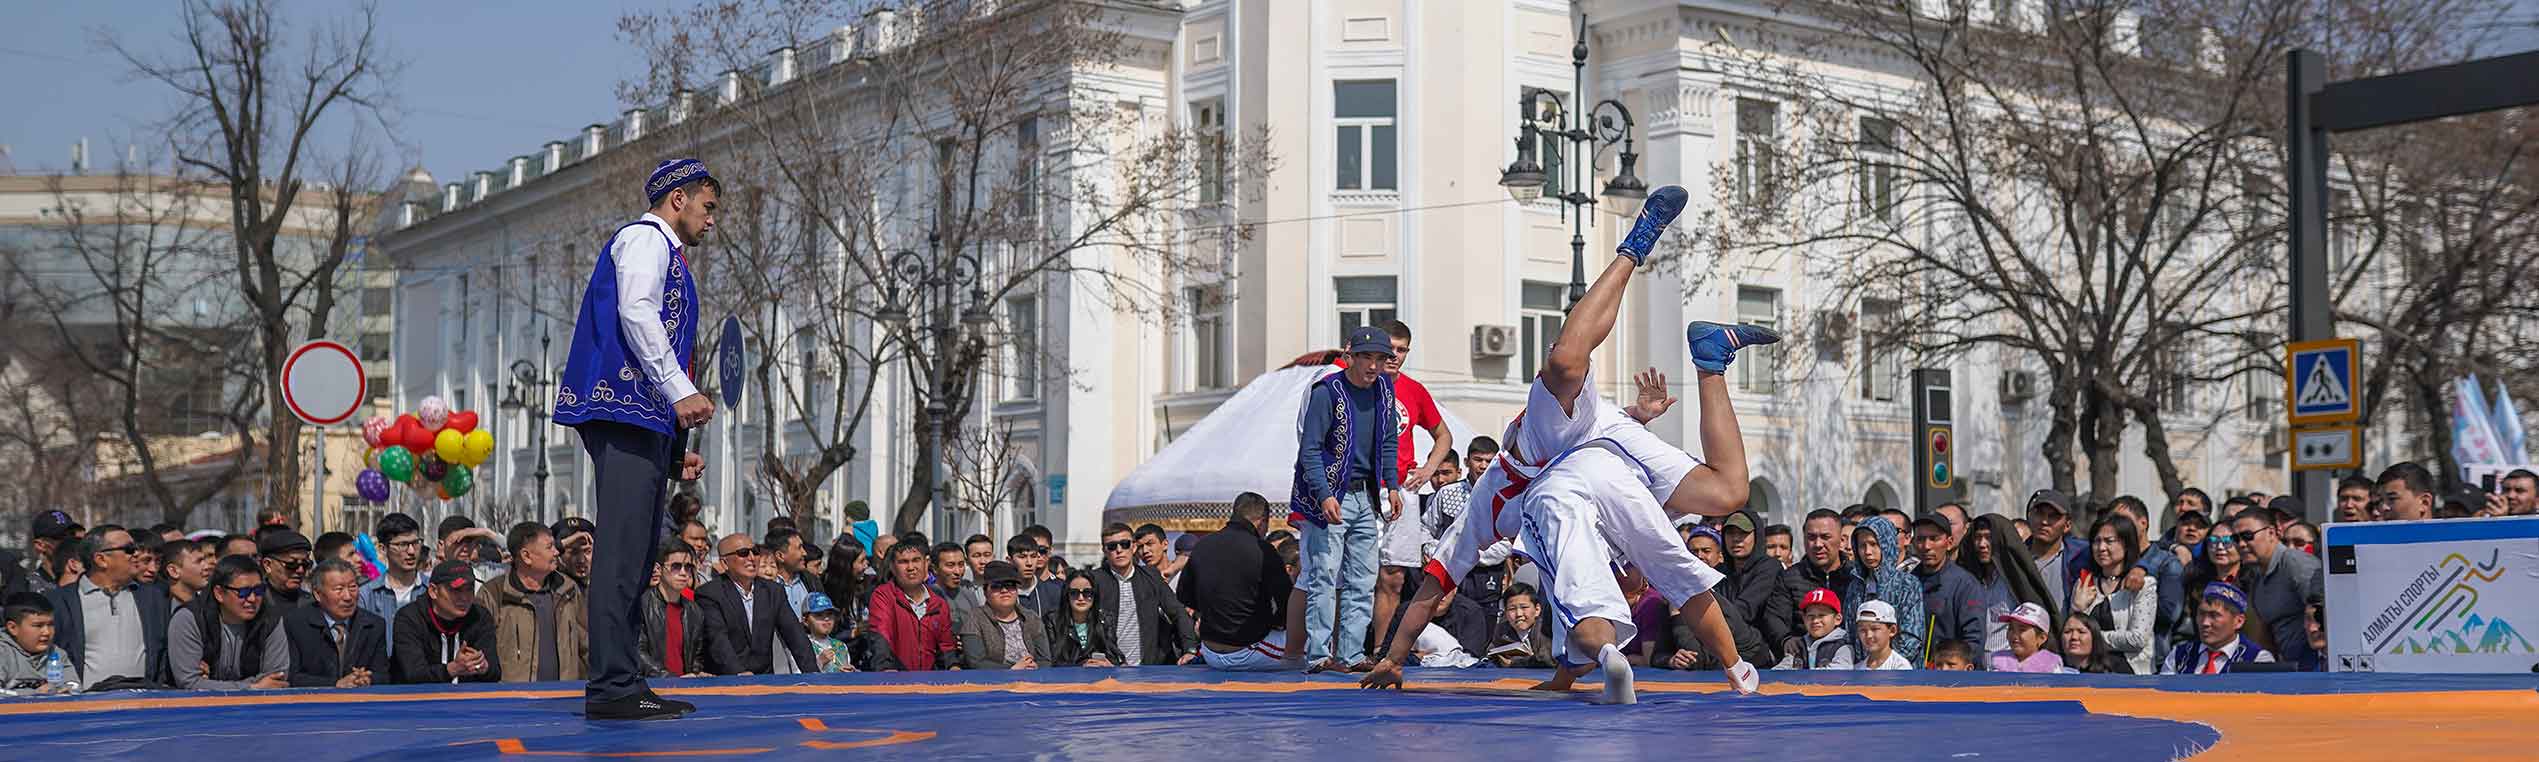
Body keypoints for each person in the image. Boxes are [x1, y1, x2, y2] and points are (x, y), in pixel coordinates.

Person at [1366, 188, 1765, 702]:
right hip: (1603, 462)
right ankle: (1710, 362)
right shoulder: (1563, 539)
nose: (1634, 590)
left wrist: (1394, 657)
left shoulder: (1488, 508)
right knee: (1726, 496)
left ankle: (1636, 244)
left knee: (1564, 365)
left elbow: (1430, 590)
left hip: (1551, 454)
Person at [556, 157, 719, 721]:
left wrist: (674, 452)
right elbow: (638, 312)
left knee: (637, 553)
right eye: (708, 206)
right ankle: (611, 687)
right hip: (623, 410)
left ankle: (624, 680)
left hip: (642, 418)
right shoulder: (645, 239)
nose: (711, 220)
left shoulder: (666, 253)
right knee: (622, 556)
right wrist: (681, 390)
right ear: (678, 198)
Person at [1291, 325, 1402, 673]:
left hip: (1366, 495)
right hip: (1331, 496)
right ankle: (1318, 655)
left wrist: (1393, 485)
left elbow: (1389, 441)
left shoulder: (1384, 389)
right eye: (1367, 357)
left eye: (1381, 358)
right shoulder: (1327, 392)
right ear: (1350, 356)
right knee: (1324, 574)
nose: (1374, 365)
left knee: (1363, 578)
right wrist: (1324, 494)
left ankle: (1352, 654)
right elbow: (1309, 450)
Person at [1366, 320, 1455, 657]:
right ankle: (1340, 649)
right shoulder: (1357, 382)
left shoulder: (1414, 390)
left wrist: (1429, 469)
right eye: (1390, 348)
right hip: (1364, 487)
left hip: (1402, 489)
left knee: (1393, 577)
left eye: (1401, 350)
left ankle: (1380, 650)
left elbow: (1444, 436)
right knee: (1351, 574)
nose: (1395, 356)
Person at [42, 525, 172, 689]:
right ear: (101, 559)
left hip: (144, 699)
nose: (136, 554)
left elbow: (163, 654)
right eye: (129, 549)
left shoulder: (154, 598)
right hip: (84, 701)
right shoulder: (59, 601)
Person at [1178, 493, 1293, 671]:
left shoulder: (1203, 545)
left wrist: (1213, 614)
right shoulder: (1263, 550)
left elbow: (1184, 595)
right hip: (1246, 650)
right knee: (1314, 651)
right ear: (1262, 521)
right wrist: (1274, 623)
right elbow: (1287, 603)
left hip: (1209, 650)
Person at [692, 533, 815, 676]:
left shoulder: (773, 591)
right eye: (743, 553)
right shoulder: (710, 594)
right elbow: (718, 641)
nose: (752, 558)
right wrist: (739, 674)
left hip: (764, 679)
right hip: (727, 679)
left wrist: (813, 675)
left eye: (755, 552)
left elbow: (796, 636)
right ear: (725, 563)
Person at [168, 554, 290, 691]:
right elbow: (189, 683)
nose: (252, 599)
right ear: (219, 593)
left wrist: (211, 684)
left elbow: (276, 678)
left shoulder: (270, 620)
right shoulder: (190, 619)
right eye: (243, 592)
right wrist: (252, 687)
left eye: (258, 590)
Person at [486, 522, 588, 683]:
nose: (556, 552)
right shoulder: (495, 593)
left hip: (565, 693)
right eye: (549, 547)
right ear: (526, 556)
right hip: (513, 696)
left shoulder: (568, 589)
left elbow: (586, 645)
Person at [2229, 509, 2324, 668]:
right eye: (2235, 539)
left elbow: (2325, 612)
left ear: (2271, 533)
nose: (2241, 544)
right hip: (2289, 665)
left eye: (2247, 536)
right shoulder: (2257, 576)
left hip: (2315, 664)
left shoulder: (2295, 563)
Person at [1094, 523, 1197, 667]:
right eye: (1112, 546)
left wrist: (1190, 649)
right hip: (1108, 668)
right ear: (1104, 550)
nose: (1119, 550)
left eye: (1124, 544)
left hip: (1149, 670)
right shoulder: (1094, 580)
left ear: (1133, 547)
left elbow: (1178, 612)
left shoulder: (1151, 577)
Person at [1959, 513, 2057, 656]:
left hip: (2011, 664)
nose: (1982, 544)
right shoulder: (1968, 580)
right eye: (1978, 537)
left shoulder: (2017, 581)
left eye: (1988, 537)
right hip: (1973, 663)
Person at [2070, 514, 2157, 675]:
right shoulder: (2084, 583)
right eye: (2096, 541)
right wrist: (2078, 609)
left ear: (2127, 544)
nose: (2101, 548)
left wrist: (2093, 638)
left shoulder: (2144, 585)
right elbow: (2073, 636)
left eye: (2109, 541)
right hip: (2089, 674)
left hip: (2132, 676)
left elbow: (2137, 639)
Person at [391, 559, 500, 684]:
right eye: (456, 590)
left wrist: (483, 667)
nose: (464, 597)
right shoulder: (409, 618)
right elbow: (413, 674)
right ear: (433, 591)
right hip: (417, 695)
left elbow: (495, 673)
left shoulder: (480, 617)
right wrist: (453, 669)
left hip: (468, 695)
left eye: (469, 589)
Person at [286, 559, 389, 688]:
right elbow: (292, 677)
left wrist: (366, 678)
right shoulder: (297, 623)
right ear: (318, 594)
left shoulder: (373, 625)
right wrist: (335, 684)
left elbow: (383, 675)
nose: (348, 597)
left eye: (353, 587)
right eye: (338, 589)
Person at [1843, 518, 1925, 666]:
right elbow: (1850, 632)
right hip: (1861, 670)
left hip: (1900, 670)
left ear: (1887, 544)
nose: (1867, 552)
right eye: (1862, 546)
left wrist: (1883, 665)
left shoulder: (1907, 584)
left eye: (1874, 544)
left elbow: (1912, 635)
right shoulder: (1855, 586)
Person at [1718, 507, 1794, 664]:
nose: (1736, 539)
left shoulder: (1770, 567)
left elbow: (1746, 609)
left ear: (1757, 536)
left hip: (1761, 650)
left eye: (1743, 533)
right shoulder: (1718, 572)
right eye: (1730, 533)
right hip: (1725, 642)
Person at [868, 541, 958, 671]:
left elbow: (946, 647)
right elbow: (881, 635)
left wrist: (953, 667)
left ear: (926, 563)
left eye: (916, 560)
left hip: (930, 679)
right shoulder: (883, 596)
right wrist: (885, 668)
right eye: (903, 562)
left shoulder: (938, 603)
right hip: (895, 676)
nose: (911, 567)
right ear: (892, 567)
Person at [1910, 514, 1984, 658]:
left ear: (1949, 542)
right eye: (1920, 539)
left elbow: (1974, 639)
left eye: (1934, 539)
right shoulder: (1908, 582)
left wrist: (1950, 665)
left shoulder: (1965, 584)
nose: (1926, 546)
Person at [358, 514, 429, 660]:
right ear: (383, 548)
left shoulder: (433, 590)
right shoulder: (366, 595)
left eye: (416, 543)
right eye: (402, 545)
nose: (411, 551)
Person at [2162, 582, 2275, 674]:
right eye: (2201, 614)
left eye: (2214, 616)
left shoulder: (2257, 660)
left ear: (2238, 621)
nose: (2205, 623)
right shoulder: (2178, 656)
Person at [956, 561, 1050, 670]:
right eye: (996, 586)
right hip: (994, 679)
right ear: (985, 592)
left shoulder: (1031, 618)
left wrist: (1035, 667)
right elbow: (976, 662)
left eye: (1010, 585)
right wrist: (1012, 670)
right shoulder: (974, 619)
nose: (1004, 590)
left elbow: (1045, 660)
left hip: (1033, 676)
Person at [638, 546, 706, 679]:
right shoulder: (641, 605)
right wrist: (669, 678)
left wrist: (696, 673)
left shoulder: (695, 611)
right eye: (676, 567)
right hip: (651, 685)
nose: (683, 573)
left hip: (685, 685)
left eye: (688, 567)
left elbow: (697, 657)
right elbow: (638, 653)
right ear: (659, 569)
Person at [2023, 490, 2089, 611]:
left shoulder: (2079, 557)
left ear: (2067, 525)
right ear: (2030, 516)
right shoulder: (2016, 557)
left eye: (2053, 516)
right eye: (2039, 514)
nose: (2044, 522)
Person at [1044, 571, 1123, 667]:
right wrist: (1081, 666)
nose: (1081, 598)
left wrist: (1109, 665)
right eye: (1074, 593)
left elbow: (1114, 657)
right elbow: (1051, 661)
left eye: (1087, 592)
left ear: (1094, 595)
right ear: (1066, 595)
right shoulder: (1053, 621)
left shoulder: (1105, 620)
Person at [1772, 588, 1853, 669]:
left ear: (1837, 619)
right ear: (1804, 618)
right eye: (1810, 616)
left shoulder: (1843, 646)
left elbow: (1839, 671)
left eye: (1821, 615)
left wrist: (1804, 675)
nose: (1815, 621)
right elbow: (1783, 669)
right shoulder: (1799, 646)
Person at [1, 593, 63, 692]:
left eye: (50, 624)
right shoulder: (3, 653)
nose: (47, 632)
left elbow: (73, 686)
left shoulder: (57, 653)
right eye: (38, 625)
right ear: (13, 628)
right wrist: (34, 694)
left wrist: (66, 689)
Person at [1486, 583, 1557, 668]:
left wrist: (1514, 663)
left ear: (1537, 610)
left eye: (1524, 607)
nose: (1519, 614)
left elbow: (1548, 659)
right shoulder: (1503, 630)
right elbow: (1491, 652)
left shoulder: (1545, 628)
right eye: (1512, 609)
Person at [18, 511, 84, 596]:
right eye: (61, 537)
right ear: (40, 545)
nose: (70, 541)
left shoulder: (86, 580)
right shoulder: (28, 587)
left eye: (72, 535)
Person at [819, 536, 873, 635]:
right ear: (846, 565)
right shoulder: (824, 591)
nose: (866, 565)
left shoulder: (868, 584)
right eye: (861, 561)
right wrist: (853, 633)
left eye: (866, 559)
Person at [1988, 602, 2062, 674]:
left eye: (2022, 630)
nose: (2014, 634)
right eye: (2011, 628)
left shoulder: (2051, 665)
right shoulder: (1998, 662)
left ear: (2041, 638)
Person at [258, 530, 317, 612]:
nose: (300, 570)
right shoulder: (254, 602)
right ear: (267, 565)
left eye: (305, 564)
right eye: (291, 564)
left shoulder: (312, 604)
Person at [2059, 612, 2132, 674]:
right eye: (2067, 632)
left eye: (2081, 632)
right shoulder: (2054, 668)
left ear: (2094, 637)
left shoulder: (2115, 667)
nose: (2074, 637)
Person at [800, 593, 856, 673]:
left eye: (830, 614)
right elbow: (797, 677)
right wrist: (819, 663)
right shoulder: (801, 647)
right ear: (805, 621)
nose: (826, 618)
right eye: (819, 614)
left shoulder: (841, 646)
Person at [1007, 535, 1062, 616]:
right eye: (1022, 557)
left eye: (1033, 556)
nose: (1029, 563)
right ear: (1009, 560)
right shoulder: (1003, 594)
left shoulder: (1053, 592)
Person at [1850, 601, 1913, 670]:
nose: (1868, 635)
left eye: (1874, 629)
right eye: (1862, 630)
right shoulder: (1856, 669)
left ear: (1892, 630)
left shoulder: (1901, 667)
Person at [766, 528, 813, 618]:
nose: (805, 553)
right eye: (799, 548)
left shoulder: (811, 581)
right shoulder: (765, 587)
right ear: (780, 556)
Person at [158, 539, 213, 608]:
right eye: (198, 561)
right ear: (174, 571)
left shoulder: (208, 606)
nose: (207, 567)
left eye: (204, 560)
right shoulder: (159, 609)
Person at [930, 542, 983, 613]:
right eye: (950, 565)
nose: (957, 572)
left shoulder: (969, 596)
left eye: (961, 565)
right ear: (935, 569)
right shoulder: (927, 598)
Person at [552, 517, 597, 590]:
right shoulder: (550, 585)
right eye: (574, 553)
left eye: (588, 551)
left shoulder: (605, 583)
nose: (581, 560)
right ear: (559, 555)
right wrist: (563, 543)